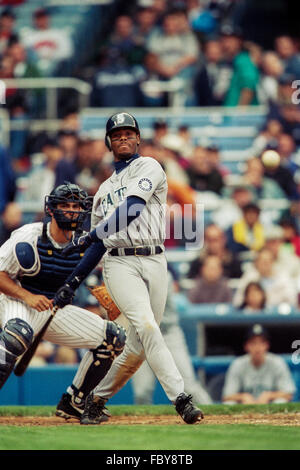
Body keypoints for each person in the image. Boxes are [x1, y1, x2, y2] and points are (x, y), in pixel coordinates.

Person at [54, 111, 204, 425]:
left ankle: (91, 399)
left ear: (137, 138)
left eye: (128, 133)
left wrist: (93, 234)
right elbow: (97, 246)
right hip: (120, 262)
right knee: (148, 327)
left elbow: (132, 209)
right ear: (109, 143)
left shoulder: (150, 166)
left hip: (155, 259)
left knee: (136, 345)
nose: (123, 138)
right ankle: (182, 399)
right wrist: (74, 280)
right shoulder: (103, 191)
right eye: (116, 135)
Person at [0, 182, 126, 422]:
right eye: (65, 205)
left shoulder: (86, 241)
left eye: (76, 206)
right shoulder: (29, 236)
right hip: (17, 299)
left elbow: (102, 272)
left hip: (54, 309)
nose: (72, 210)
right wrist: (27, 297)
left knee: (113, 338)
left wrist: (111, 294)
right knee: (18, 335)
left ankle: (74, 402)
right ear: (52, 209)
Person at [131, 271, 212, 405]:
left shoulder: (163, 274)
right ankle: (144, 425)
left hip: (167, 333)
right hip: (141, 337)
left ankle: (213, 417)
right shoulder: (126, 276)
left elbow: (148, 308)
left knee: (188, 386)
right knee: (142, 391)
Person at [222, 324, 296, 404]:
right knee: (229, 403)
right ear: (246, 346)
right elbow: (226, 396)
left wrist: (269, 395)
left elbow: (289, 394)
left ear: (267, 345)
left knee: (281, 401)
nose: (257, 348)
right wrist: (243, 397)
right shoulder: (238, 364)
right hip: (244, 410)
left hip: (270, 410)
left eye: (261, 343)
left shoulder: (277, 362)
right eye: (253, 343)